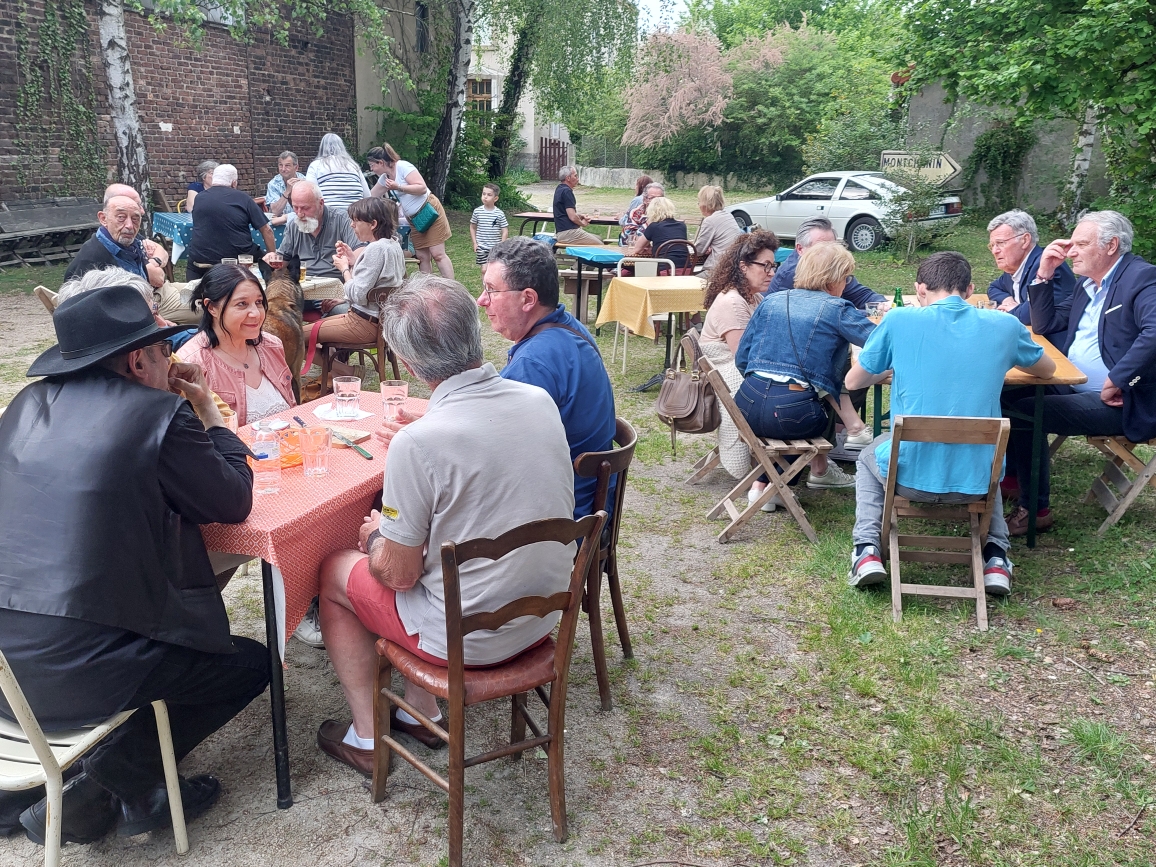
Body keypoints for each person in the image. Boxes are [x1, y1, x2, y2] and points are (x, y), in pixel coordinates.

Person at [0, 285, 268, 844]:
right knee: (250, 664)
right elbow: (232, 501)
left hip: (7, 668)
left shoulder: (24, 407)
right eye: (163, 350)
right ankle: (110, 780)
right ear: (136, 360)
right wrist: (208, 411)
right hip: (81, 671)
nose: (170, 361)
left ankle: (79, 790)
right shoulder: (158, 414)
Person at [313, 275, 576, 772]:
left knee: (333, 571)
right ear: (476, 333)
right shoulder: (538, 401)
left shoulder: (418, 443)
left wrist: (375, 537)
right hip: (541, 620)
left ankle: (367, 738)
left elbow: (399, 575)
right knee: (442, 556)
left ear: (409, 365)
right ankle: (419, 711)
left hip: (467, 642)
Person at [845, 252, 1055, 596]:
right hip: (977, 484)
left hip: (908, 479)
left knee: (868, 456)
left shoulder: (898, 320)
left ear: (920, 289)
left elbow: (854, 381)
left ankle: (866, 549)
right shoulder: (1004, 326)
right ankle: (996, 557)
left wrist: (892, 366)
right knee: (987, 452)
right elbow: (1046, 370)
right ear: (970, 290)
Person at [1004, 210, 1156, 536]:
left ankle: (1035, 510)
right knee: (1005, 393)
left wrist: (1120, 379)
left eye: (1081, 244)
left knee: (1028, 411)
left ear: (1111, 245)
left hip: (1121, 401)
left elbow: (1154, 331)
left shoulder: (1142, 278)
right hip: (1073, 385)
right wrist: (1043, 275)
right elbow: (1045, 323)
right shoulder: (1087, 284)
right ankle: (1013, 480)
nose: (1071, 251)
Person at [479, 236, 616, 519]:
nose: (482, 300)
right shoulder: (570, 328)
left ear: (528, 299)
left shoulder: (533, 363)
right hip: (591, 504)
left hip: (560, 520)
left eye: (491, 290)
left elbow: (490, 454)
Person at [735, 241, 872, 494]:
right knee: (819, 397)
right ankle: (815, 469)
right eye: (846, 278)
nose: (847, 284)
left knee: (804, 397)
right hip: (793, 415)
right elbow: (879, 341)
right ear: (834, 279)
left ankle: (768, 486)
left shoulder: (771, 301)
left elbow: (742, 359)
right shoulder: (837, 309)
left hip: (745, 407)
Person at [700, 231, 779, 482]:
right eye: (765, 266)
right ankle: (776, 471)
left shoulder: (751, 297)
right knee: (794, 402)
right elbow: (745, 358)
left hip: (736, 374)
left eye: (773, 266)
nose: (771, 273)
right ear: (743, 266)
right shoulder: (733, 302)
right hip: (732, 379)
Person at [177, 263, 296, 426]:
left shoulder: (271, 345)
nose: (256, 313)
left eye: (259, 302)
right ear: (212, 308)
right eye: (242, 304)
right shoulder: (192, 363)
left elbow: (293, 410)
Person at [316, 196, 406, 346]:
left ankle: (339, 363)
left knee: (297, 336)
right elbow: (375, 282)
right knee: (318, 327)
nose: (351, 225)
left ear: (373, 224)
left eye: (356, 221)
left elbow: (358, 295)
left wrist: (344, 269)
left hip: (363, 324)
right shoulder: (393, 245)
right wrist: (353, 260)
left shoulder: (375, 249)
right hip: (384, 323)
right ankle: (337, 361)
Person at [367, 143, 454, 278]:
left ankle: (451, 286)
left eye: (372, 165)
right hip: (414, 219)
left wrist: (398, 187)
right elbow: (370, 196)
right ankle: (425, 287)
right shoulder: (385, 178)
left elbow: (422, 188)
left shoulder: (403, 166)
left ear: (381, 162)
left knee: (437, 254)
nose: (371, 169)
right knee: (422, 256)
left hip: (429, 211)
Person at [767, 217, 885, 308]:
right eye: (820, 247)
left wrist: (883, 305)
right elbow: (824, 315)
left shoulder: (832, 266)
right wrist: (867, 314)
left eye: (832, 246)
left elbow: (860, 294)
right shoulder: (791, 275)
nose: (829, 252)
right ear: (800, 249)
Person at [184, 164, 275, 281]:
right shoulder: (243, 198)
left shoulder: (199, 198)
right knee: (266, 262)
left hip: (201, 259)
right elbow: (267, 230)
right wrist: (271, 255)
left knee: (193, 262)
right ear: (233, 183)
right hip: (237, 257)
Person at [987, 209, 1077, 325]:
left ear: (1025, 240)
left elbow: (1032, 314)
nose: (994, 251)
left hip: (1053, 336)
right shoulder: (1015, 266)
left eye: (1000, 243)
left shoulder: (1048, 266)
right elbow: (994, 287)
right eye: (992, 245)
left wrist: (1013, 311)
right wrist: (1008, 301)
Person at [266, 180, 362, 282]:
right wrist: (272, 259)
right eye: (295, 207)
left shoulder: (342, 220)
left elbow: (360, 254)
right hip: (302, 285)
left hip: (335, 285)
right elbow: (283, 262)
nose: (300, 214)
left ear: (321, 203)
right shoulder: (293, 225)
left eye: (305, 208)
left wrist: (348, 269)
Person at [305, 133, 371, 212]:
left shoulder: (316, 165)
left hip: (329, 214)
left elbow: (310, 194)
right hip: (355, 214)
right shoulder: (354, 166)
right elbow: (367, 196)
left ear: (322, 147)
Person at [630, 196, 688, 270]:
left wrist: (649, 249)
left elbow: (637, 249)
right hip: (686, 268)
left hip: (664, 268)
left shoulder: (654, 226)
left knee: (639, 272)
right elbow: (676, 247)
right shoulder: (682, 225)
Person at [694, 184, 743, 273]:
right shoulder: (729, 215)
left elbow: (698, 251)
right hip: (733, 267)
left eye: (699, 202)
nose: (698, 205)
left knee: (689, 279)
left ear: (705, 204)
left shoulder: (710, 221)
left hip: (718, 269)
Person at [552, 165, 603, 247]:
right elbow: (572, 217)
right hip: (569, 232)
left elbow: (564, 213)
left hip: (561, 232)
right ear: (568, 178)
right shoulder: (567, 191)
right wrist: (582, 223)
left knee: (599, 238)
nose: (577, 179)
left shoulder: (559, 189)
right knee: (600, 246)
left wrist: (580, 216)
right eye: (575, 176)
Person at [470, 181, 509, 273]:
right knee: (484, 269)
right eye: (483, 194)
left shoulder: (499, 214)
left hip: (495, 247)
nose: (485, 196)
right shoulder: (477, 211)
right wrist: (475, 243)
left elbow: (505, 230)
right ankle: (485, 283)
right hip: (481, 247)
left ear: (495, 198)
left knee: (494, 270)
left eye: (489, 195)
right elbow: (472, 227)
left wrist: (502, 245)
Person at [266, 150, 306, 226]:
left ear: (296, 167)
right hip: (281, 227)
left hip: (302, 224)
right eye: (281, 165)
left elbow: (308, 210)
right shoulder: (273, 184)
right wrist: (287, 191)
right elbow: (274, 212)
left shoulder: (305, 182)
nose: (283, 169)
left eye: (287, 165)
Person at [620, 182, 664, 247]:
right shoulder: (635, 213)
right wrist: (649, 223)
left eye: (660, 198)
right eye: (652, 198)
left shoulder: (666, 214)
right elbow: (629, 239)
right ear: (645, 199)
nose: (656, 201)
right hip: (633, 250)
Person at [618, 174, 653, 239]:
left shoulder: (638, 200)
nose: (635, 188)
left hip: (636, 236)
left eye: (636, 185)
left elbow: (628, 221)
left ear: (641, 186)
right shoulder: (657, 200)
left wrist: (620, 218)